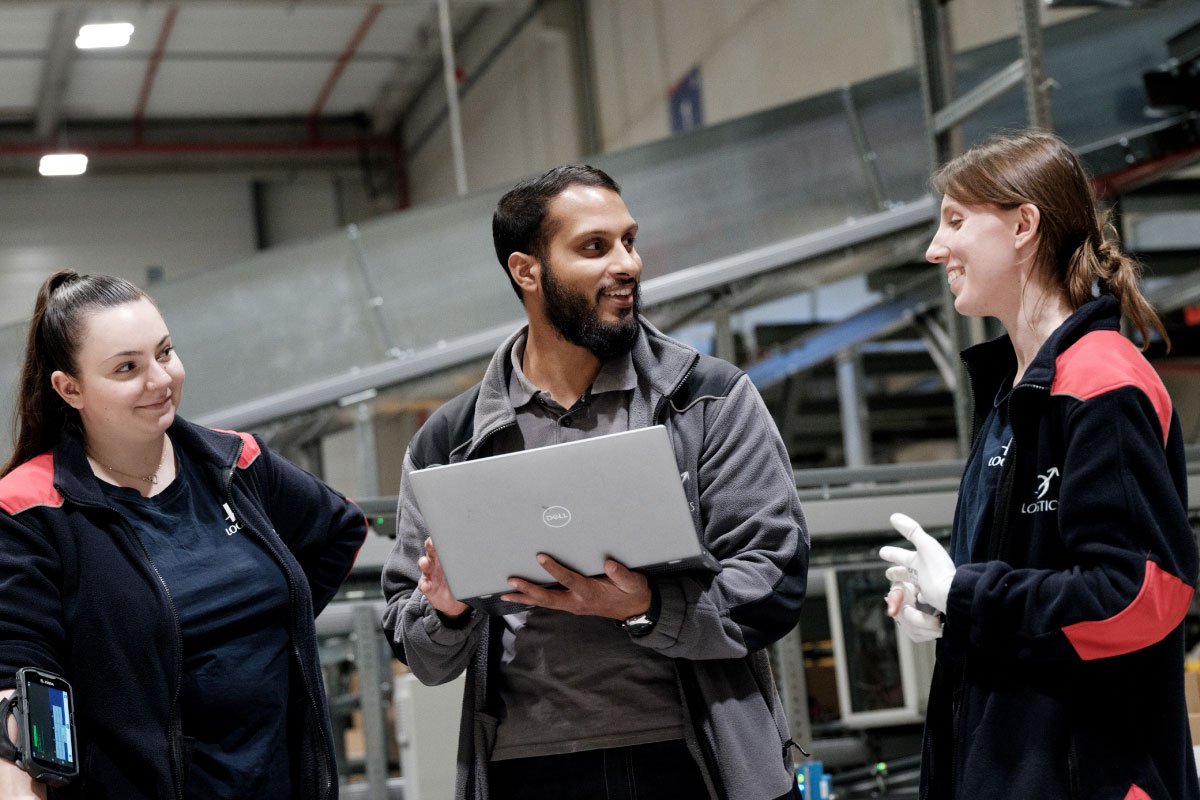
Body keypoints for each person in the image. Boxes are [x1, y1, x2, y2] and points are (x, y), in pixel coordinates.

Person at [380, 164, 810, 800]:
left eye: (629, 241)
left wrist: (645, 606)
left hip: (696, 761)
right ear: (527, 271)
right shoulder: (448, 443)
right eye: (595, 247)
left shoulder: (708, 399)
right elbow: (416, 649)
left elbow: (773, 578)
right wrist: (443, 608)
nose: (628, 263)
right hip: (528, 766)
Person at [879, 130, 1200, 800]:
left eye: (955, 221)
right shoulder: (1012, 393)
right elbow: (1031, 595)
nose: (936, 249)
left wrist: (967, 594)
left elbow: (1142, 595)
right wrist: (946, 611)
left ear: (1024, 224)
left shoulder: (1102, 384)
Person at [0, 270, 368, 799]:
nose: (160, 379)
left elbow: (338, 530)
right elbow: (18, 680)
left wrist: (274, 629)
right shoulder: (30, 508)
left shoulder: (237, 461)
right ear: (70, 388)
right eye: (127, 367)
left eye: (165, 353)